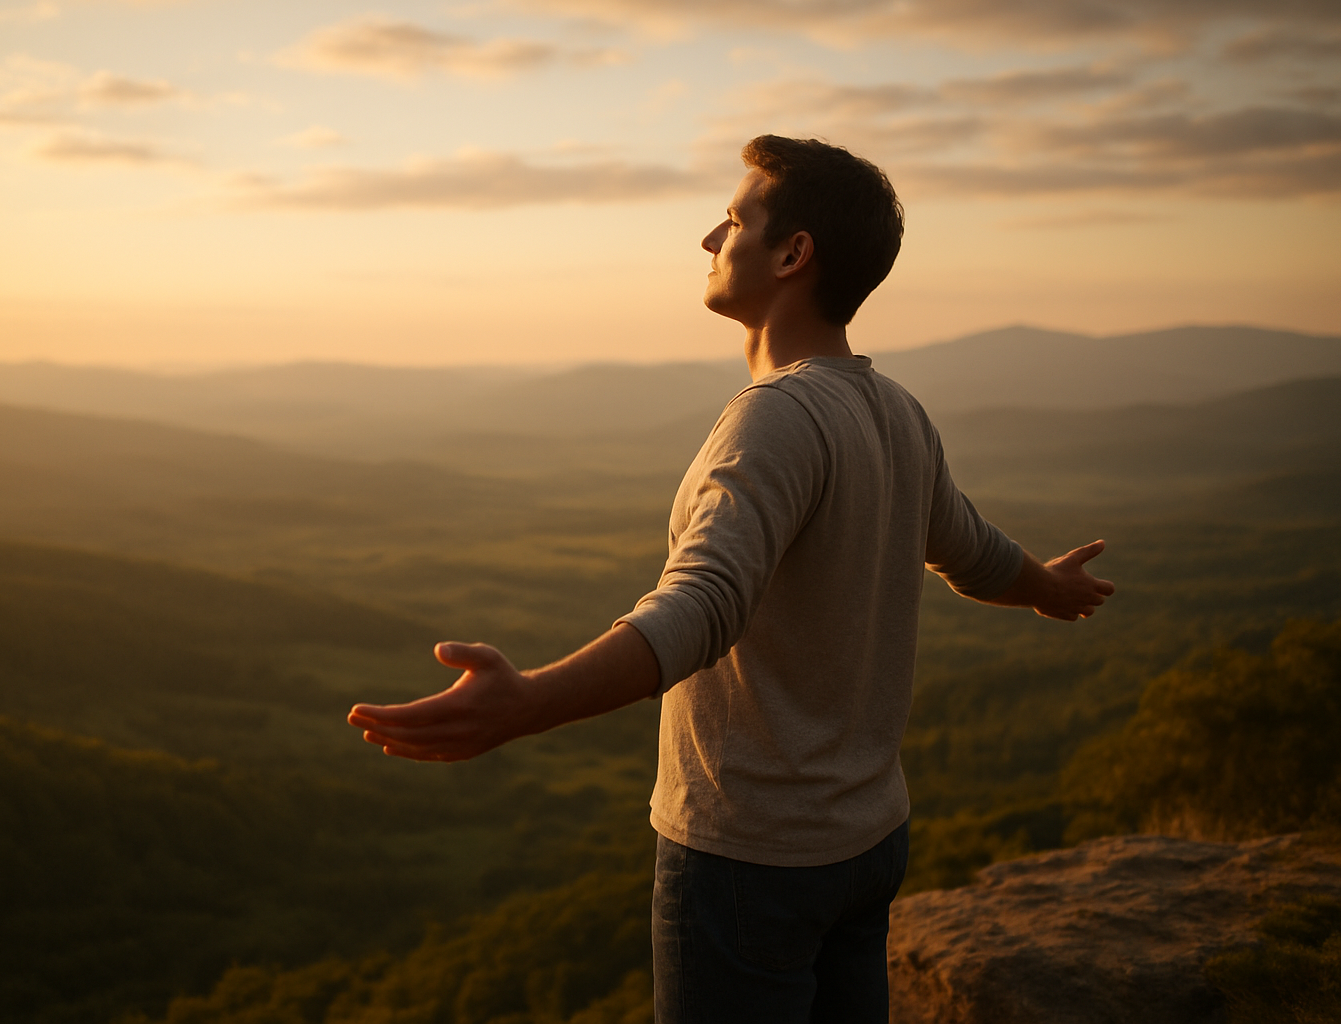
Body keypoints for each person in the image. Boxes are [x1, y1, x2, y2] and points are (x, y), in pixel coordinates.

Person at [347, 135, 1115, 1023]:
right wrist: (1045, 588)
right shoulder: (897, 410)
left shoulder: (775, 419)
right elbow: (972, 551)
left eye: (736, 220)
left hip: (752, 857)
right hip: (868, 841)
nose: (711, 240)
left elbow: (702, 605)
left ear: (793, 255)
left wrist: (531, 702)